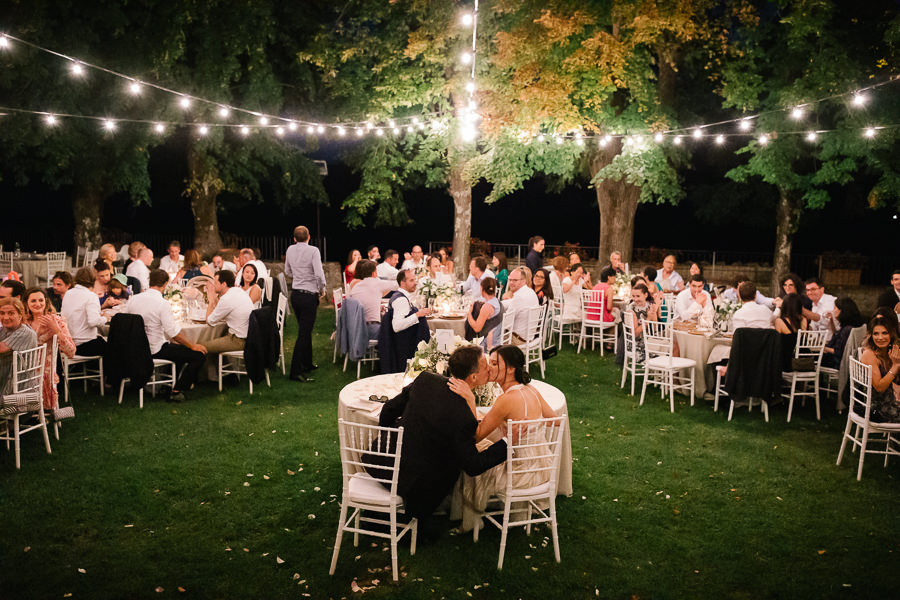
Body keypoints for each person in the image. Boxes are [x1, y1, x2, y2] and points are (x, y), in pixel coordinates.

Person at [377, 345, 508, 520]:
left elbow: (388, 411)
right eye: (486, 366)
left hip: (386, 466)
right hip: (420, 488)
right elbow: (473, 465)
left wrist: (391, 438)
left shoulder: (425, 380)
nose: (490, 369)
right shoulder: (463, 416)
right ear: (474, 377)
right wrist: (507, 443)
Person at [124, 269, 207, 401]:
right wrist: (192, 346)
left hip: (134, 348)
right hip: (154, 349)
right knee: (198, 356)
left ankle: (166, 386)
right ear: (165, 284)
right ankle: (177, 389)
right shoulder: (162, 304)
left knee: (176, 350)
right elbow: (173, 333)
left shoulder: (133, 299)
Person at [23, 288, 76, 412]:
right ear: (26, 303)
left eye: (41, 300)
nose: (38, 304)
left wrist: (56, 330)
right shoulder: (23, 322)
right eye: (33, 301)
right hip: (23, 370)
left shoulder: (56, 320)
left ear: (46, 302)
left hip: (45, 372)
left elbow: (71, 351)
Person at [284, 225, 326, 383]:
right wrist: (322, 289)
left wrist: (298, 275)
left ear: (294, 238)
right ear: (309, 237)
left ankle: (307, 363)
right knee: (303, 332)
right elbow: (319, 273)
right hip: (309, 296)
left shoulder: (289, 249)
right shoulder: (314, 251)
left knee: (305, 330)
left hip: (295, 295)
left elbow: (287, 271)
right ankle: (295, 371)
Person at [378, 269, 433, 372]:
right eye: (411, 280)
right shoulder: (401, 300)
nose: (415, 283)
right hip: (405, 345)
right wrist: (418, 314)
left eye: (415, 280)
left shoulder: (401, 296)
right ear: (403, 283)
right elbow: (397, 326)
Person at [859, 316, 900, 422]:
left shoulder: (891, 352)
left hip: (892, 402)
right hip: (878, 409)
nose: (880, 337)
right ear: (871, 336)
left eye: (884, 333)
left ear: (891, 334)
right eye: (876, 334)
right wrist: (895, 366)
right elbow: (879, 387)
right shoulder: (869, 354)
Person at [204, 270, 253, 355]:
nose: (213, 285)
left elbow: (210, 321)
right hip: (249, 337)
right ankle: (214, 367)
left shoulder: (227, 298)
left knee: (201, 346)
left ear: (223, 284)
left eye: (215, 283)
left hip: (238, 341)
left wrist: (211, 301)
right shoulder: (238, 291)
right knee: (214, 340)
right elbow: (220, 311)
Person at [61, 267, 108, 356]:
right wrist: (105, 318)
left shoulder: (68, 293)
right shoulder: (91, 296)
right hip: (84, 344)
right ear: (93, 280)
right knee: (115, 347)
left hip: (69, 342)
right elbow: (93, 322)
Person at [0, 298, 39, 404]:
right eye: (2, 313)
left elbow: (1, 348)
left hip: (17, 394)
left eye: (11, 313)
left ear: (20, 315)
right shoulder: (5, 330)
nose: (5, 317)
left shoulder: (25, 333)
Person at [349, 259, 398, 340]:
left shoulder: (358, 284)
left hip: (355, 328)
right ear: (373, 273)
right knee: (397, 331)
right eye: (376, 272)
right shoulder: (373, 283)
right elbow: (398, 284)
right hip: (368, 329)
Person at [822, 297, 865, 369]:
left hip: (836, 363)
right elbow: (839, 338)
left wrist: (824, 348)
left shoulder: (847, 330)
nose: (833, 311)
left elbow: (838, 352)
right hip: (846, 361)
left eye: (835, 308)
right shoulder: (853, 325)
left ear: (842, 310)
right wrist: (831, 321)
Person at [501, 267, 539, 344]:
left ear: (524, 281)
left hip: (517, 339)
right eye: (510, 280)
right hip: (528, 336)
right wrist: (497, 304)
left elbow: (506, 324)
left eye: (515, 280)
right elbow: (511, 302)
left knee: (490, 334)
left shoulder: (519, 297)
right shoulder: (529, 291)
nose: (511, 283)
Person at [625, 283, 660, 363]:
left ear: (645, 295)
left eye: (638, 296)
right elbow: (635, 334)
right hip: (637, 346)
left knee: (672, 346)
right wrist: (648, 319)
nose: (635, 299)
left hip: (649, 341)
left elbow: (655, 330)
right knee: (666, 350)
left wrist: (653, 313)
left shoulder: (649, 306)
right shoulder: (631, 310)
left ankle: (666, 374)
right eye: (633, 296)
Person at [774, 293, 808, 372]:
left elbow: (777, 346)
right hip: (802, 362)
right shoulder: (803, 320)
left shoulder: (779, 321)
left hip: (787, 364)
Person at [465, 278, 503, 348]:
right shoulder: (497, 301)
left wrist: (469, 313)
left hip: (488, 344)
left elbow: (477, 328)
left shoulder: (487, 306)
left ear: (482, 289)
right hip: (498, 339)